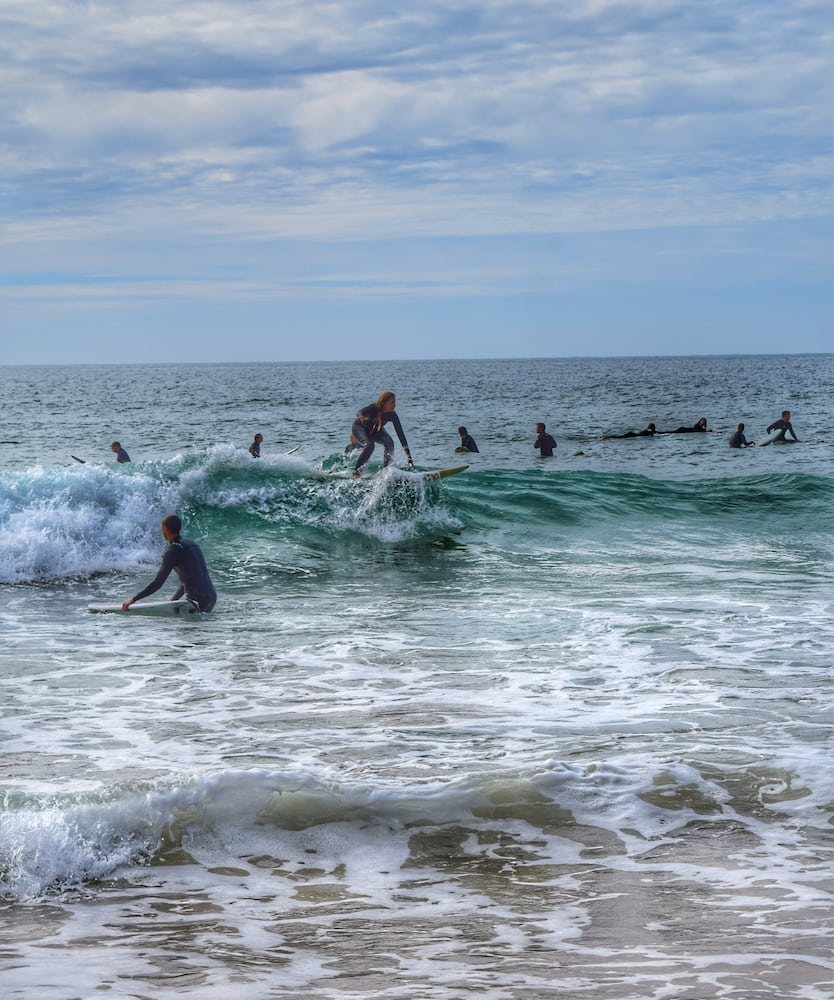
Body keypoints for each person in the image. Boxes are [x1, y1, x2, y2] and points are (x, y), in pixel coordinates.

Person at [122, 514, 217, 612]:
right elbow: (189, 580)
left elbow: (157, 583)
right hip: (211, 597)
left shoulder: (172, 551)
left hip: (196, 600)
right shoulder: (193, 545)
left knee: (188, 622)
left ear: (165, 529)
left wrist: (133, 599)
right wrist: (173, 601)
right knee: (201, 621)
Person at [350, 391, 414, 476]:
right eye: (391, 403)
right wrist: (361, 416)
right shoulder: (374, 407)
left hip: (375, 430)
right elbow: (360, 412)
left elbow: (401, 434)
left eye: (394, 402)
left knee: (389, 442)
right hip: (359, 428)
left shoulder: (392, 415)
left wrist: (408, 456)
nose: (394, 405)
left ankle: (387, 470)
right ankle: (356, 473)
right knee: (370, 445)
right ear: (384, 403)